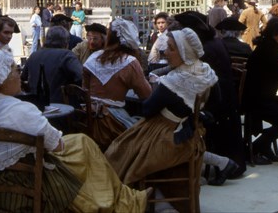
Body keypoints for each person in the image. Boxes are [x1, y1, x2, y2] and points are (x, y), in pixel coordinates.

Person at [0, 49, 149, 213]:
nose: (19, 74)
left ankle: (118, 197)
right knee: (84, 149)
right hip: (24, 182)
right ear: (2, 80)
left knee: (82, 142)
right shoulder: (20, 110)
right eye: (15, 70)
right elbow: (56, 146)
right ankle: (115, 201)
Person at [105, 29, 218, 211]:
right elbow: (216, 103)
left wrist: (159, 88)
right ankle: (161, 199)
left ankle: (141, 198)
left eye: (171, 48)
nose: (165, 51)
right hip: (193, 134)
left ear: (184, 53)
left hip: (168, 136)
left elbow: (148, 109)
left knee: (120, 150)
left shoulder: (174, 81)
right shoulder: (206, 72)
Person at [173, 11, 247, 179]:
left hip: (216, 102)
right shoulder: (213, 42)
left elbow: (189, 73)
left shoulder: (205, 48)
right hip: (224, 97)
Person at [82, 18, 152, 150]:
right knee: (146, 138)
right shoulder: (129, 62)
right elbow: (146, 95)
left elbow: (84, 89)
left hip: (85, 118)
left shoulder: (93, 57)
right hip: (110, 123)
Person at [242, 18, 278, 165]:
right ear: (276, 34)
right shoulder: (268, 49)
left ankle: (265, 143)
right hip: (256, 99)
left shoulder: (270, 47)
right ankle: (258, 146)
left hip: (263, 96)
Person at [21, 26, 82, 104]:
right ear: (66, 41)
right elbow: (81, 77)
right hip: (61, 106)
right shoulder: (66, 55)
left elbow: (23, 78)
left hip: (36, 105)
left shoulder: (34, 55)